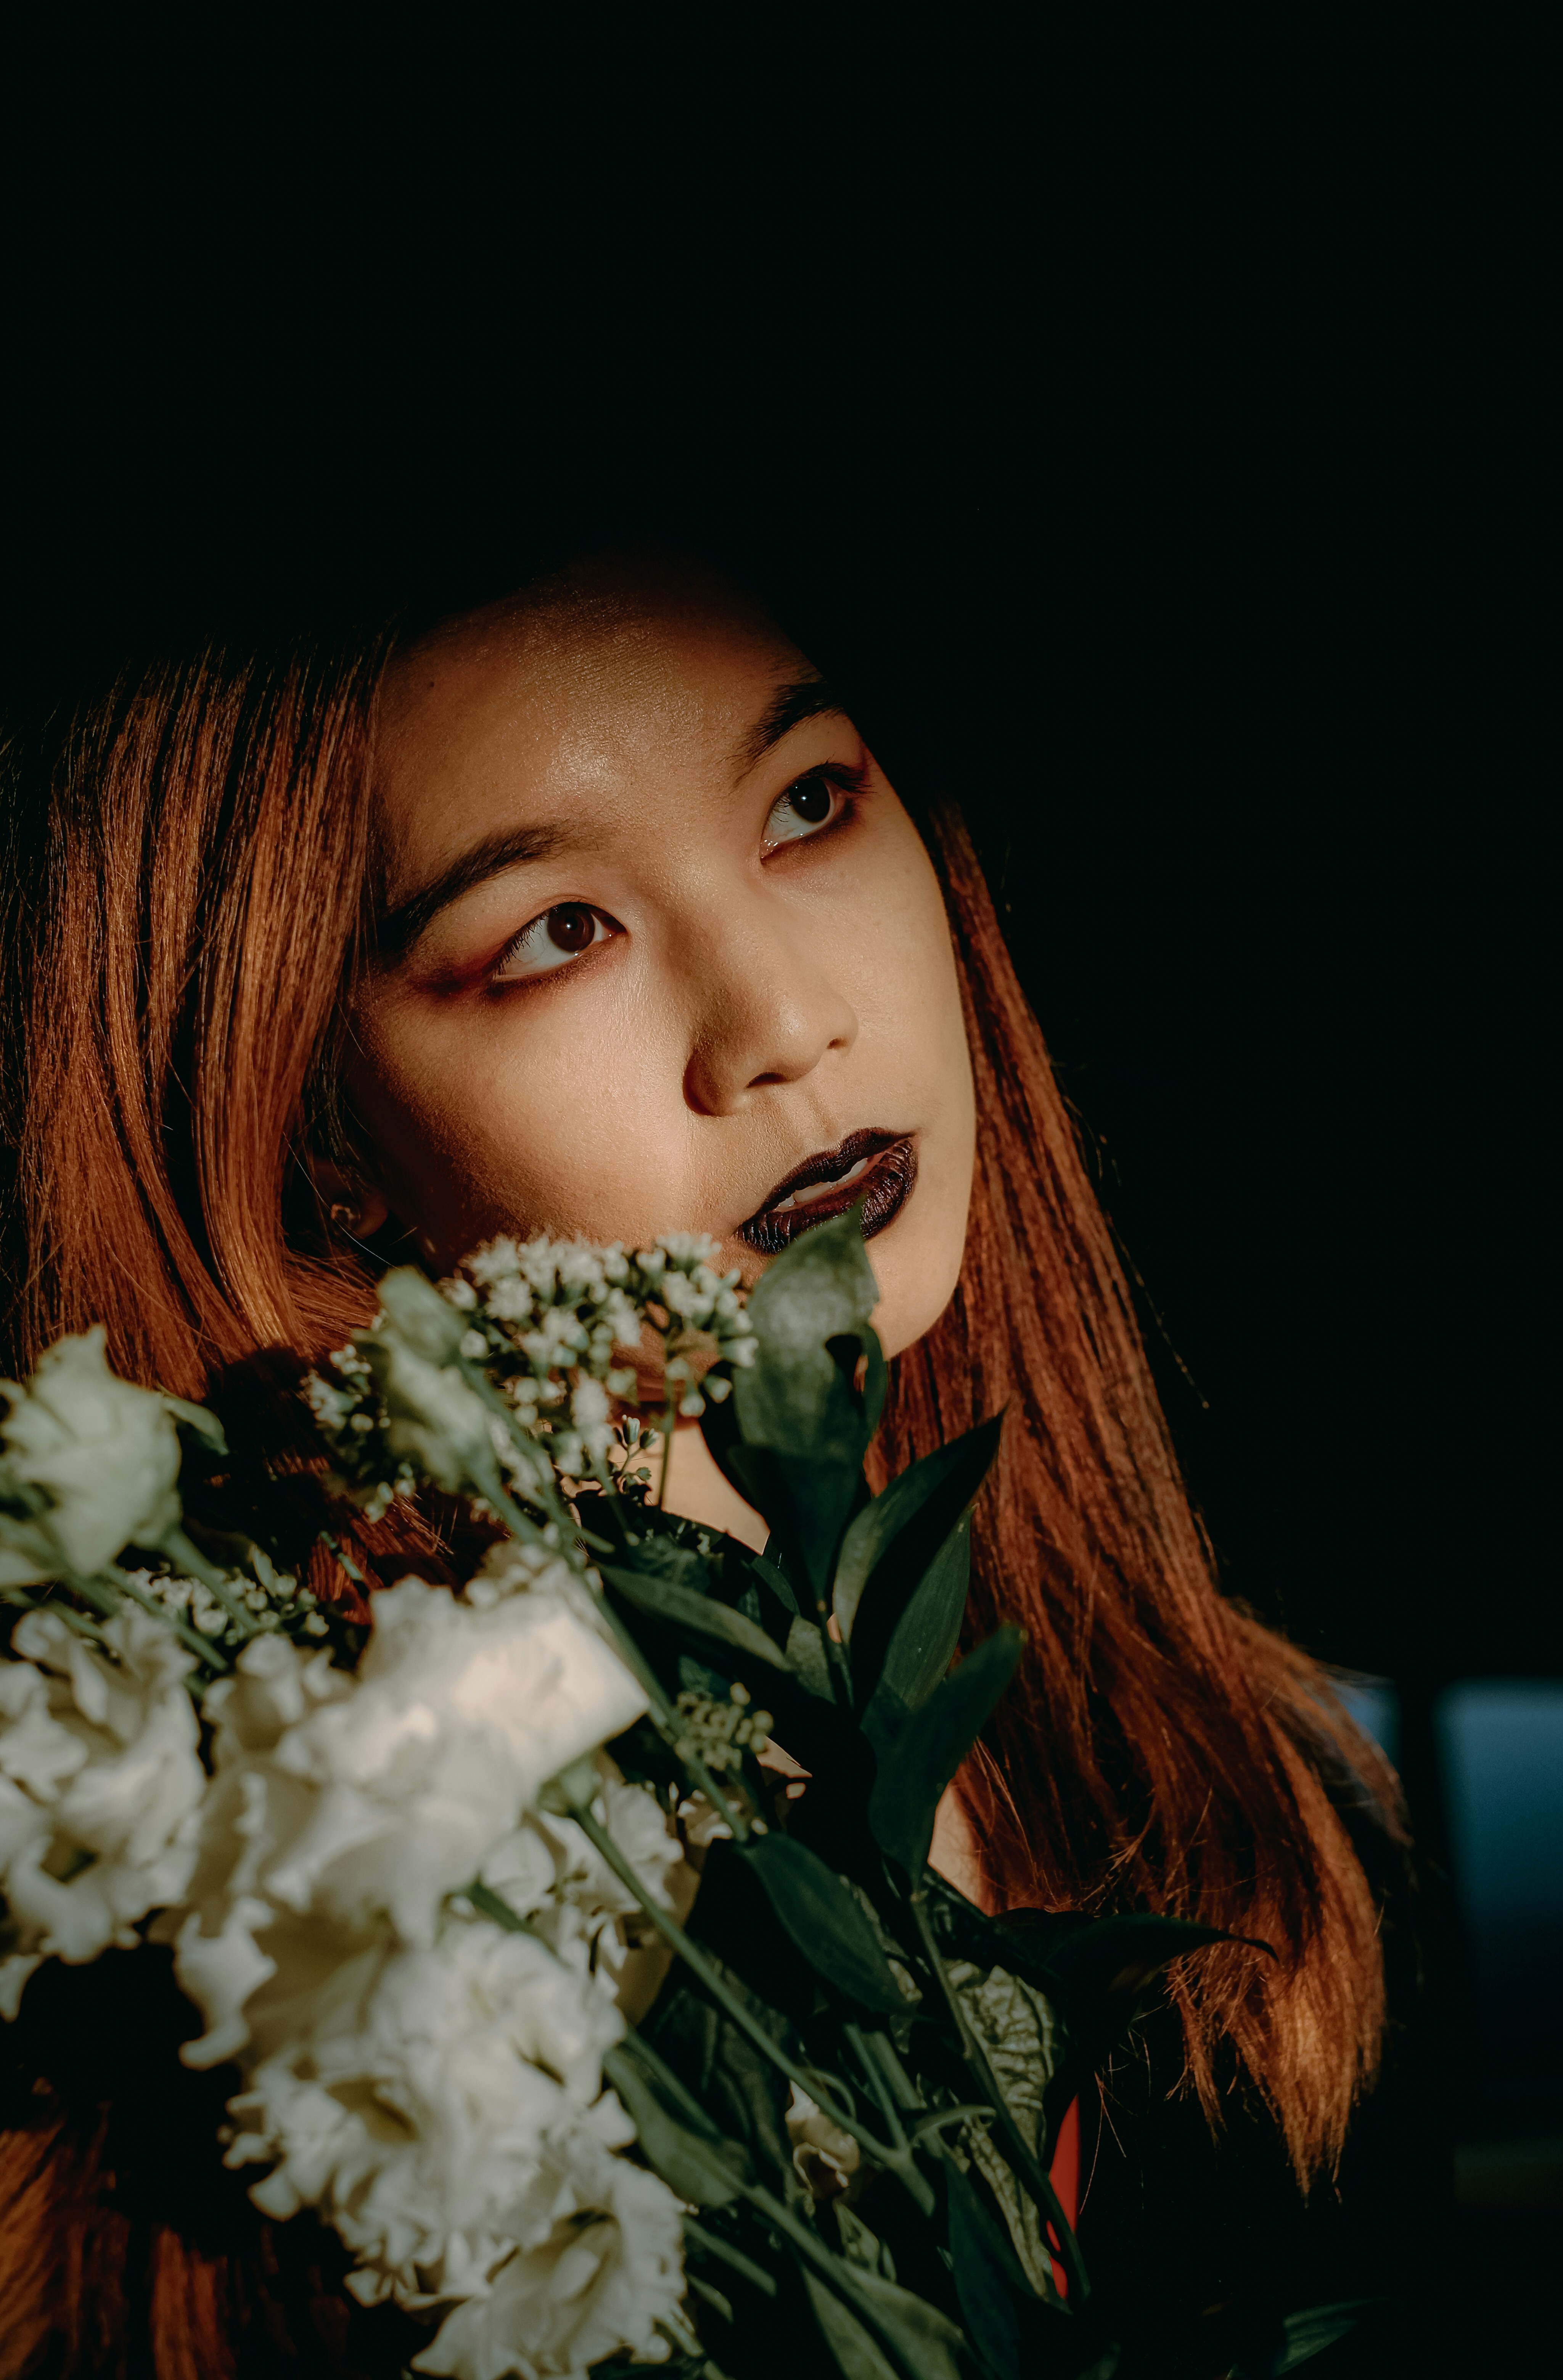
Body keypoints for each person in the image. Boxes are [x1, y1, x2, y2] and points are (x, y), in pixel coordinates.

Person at [0, 540, 1411, 2375]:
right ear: (316, 1137)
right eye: (555, 932)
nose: (782, 1022)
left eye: (807, 805)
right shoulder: (272, 1960)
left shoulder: (1246, 1797)